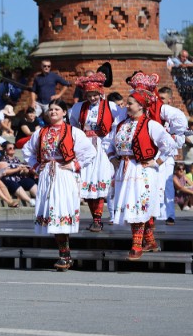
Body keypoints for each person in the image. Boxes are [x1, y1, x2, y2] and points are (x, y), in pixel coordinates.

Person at [23, 100, 96, 271]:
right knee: (53, 213)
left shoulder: (73, 132)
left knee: (61, 211)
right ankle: (64, 254)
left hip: (64, 175)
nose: (53, 111)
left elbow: (89, 152)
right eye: (50, 109)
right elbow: (28, 150)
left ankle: (65, 255)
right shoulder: (41, 132)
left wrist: (74, 165)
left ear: (64, 112)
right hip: (47, 174)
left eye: (57, 109)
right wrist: (35, 166)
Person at [107, 83, 175, 261]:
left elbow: (169, 145)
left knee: (139, 204)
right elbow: (108, 142)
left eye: (130, 103)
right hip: (125, 168)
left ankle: (136, 245)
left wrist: (157, 161)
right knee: (132, 205)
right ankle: (150, 241)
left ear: (141, 106)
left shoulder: (151, 125)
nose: (126, 106)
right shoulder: (121, 124)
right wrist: (113, 157)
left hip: (143, 170)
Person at [68, 64, 124, 232]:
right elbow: (72, 127)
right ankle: (96, 219)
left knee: (101, 181)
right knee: (88, 182)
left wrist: (115, 143)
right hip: (85, 146)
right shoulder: (78, 108)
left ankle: (102, 217)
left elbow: (121, 123)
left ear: (100, 93)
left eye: (95, 95)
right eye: (89, 95)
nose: (92, 98)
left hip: (103, 146)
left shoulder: (111, 107)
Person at [153, 86, 187, 225]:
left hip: (168, 156)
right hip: (156, 154)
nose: (160, 102)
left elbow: (180, 139)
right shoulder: (155, 115)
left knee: (167, 185)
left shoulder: (174, 117)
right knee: (155, 184)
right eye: (158, 99)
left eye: (163, 99)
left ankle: (170, 215)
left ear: (170, 100)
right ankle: (155, 213)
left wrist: (171, 138)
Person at [0, 142, 37, 206]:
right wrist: (17, 169)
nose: (12, 149)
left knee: (29, 181)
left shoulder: (16, 159)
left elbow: (21, 172)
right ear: (5, 150)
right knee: (14, 184)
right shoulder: (2, 159)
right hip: (8, 180)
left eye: (14, 148)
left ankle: (39, 198)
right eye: (10, 148)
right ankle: (30, 200)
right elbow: (4, 172)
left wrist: (25, 170)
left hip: (18, 178)